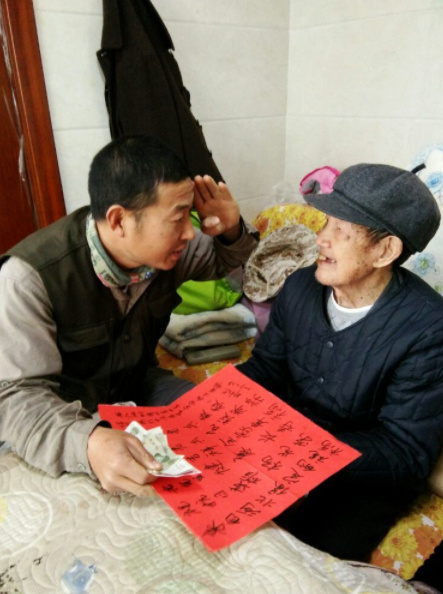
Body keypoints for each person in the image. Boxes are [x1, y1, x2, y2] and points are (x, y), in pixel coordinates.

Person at [0, 135, 258, 497]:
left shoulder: (172, 248)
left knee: (222, 426)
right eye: (178, 218)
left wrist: (230, 230)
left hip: (137, 384)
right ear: (119, 220)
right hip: (67, 410)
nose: (190, 232)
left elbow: (221, 262)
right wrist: (87, 444)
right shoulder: (26, 279)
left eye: (190, 215)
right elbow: (16, 397)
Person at [238, 163, 443, 561]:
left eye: (341, 230)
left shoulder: (428, 329)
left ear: (385, 251)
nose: (320, 239)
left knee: (293, 563)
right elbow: (266, 368)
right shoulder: (300, 286)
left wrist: (305, 448)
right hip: (284, 445)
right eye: (325, 222)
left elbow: (405, 451)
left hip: (361, 478)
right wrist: (220, 405)